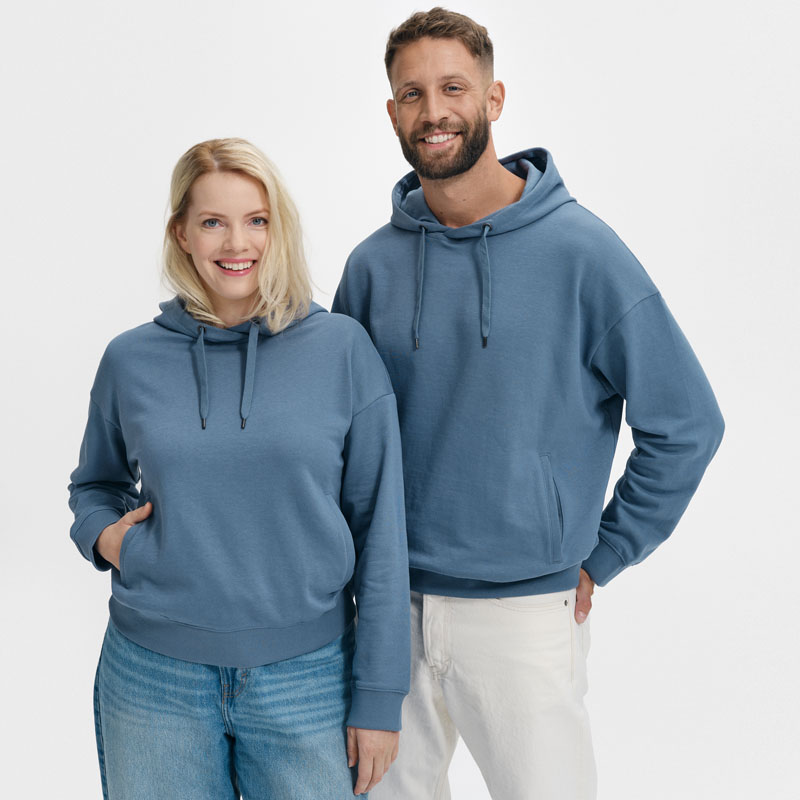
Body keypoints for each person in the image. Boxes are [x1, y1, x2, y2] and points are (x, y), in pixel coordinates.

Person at [332, 8, 725, 799]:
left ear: (494, 98)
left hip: (526, 615)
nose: (433, 111)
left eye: (453, 88)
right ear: (392, 114)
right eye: (412, 94)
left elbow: (687, 423)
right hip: (388, 610)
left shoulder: (582, 253)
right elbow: (337, 439)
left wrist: (607, 553)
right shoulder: (371, 268)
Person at [68, 137, 409, 799]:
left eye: (257, 220)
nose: (237, 243)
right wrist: (107, 538)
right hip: (153, 678)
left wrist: (379, 696)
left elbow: (381, 531)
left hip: (309, 678)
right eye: (212, 222)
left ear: (280, 229)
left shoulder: (342, 350)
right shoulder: (130, 361)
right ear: (181, 233)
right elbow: (95, 485)